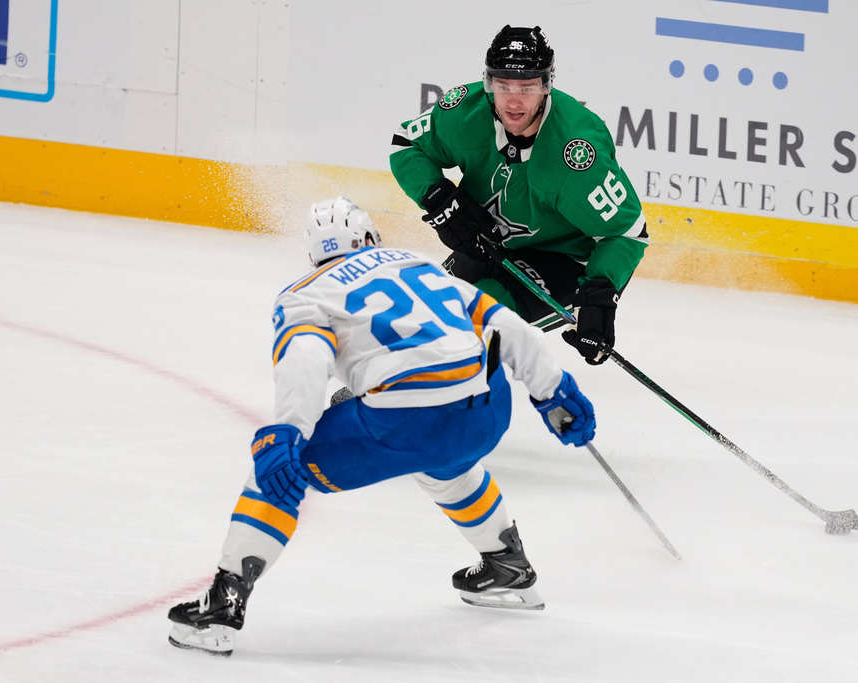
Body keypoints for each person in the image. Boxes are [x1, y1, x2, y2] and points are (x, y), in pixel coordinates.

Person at [167, 197, 597, 656]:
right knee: (446, 464)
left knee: (277, 473)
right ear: (370, 237)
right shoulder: (417, 263)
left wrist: (289, 432)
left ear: (313, 253)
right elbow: (504, 324)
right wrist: (552, 391)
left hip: (406, 419)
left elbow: (305, 360)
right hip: (488, 409)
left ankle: (222, 605)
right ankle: (507, 566)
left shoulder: (305, 293)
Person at [390, 25, 648, 366]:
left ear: (546, 85)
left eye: (527, 88)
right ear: (488, 83)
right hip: (490, 242)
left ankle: (414, 389)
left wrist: (599, 293)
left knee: (471, 324)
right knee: (423, 312)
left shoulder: (576, 152)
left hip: (564, 260)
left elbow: (627, 232)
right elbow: (407, 144)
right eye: (503, 86)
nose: (513, 101)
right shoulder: (465, 112)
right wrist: (439, 198)